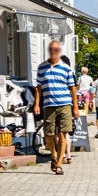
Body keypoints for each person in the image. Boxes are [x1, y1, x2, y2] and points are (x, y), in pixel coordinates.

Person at [34, 40, 76, 175]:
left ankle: (58, 164)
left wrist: (75, 107)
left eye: (57, 49)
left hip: (64, 104)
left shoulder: (66, 68)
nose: (54, 51)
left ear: (60, 51)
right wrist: (36, 104)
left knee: (63, 133)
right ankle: (53, 155)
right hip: (49, 105)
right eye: (52, 49)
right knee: (48, 134)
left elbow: (72, 89)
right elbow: (38, 88)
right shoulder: (42, 68)